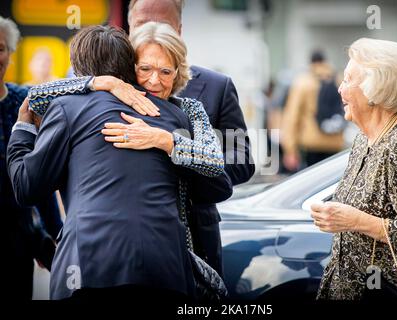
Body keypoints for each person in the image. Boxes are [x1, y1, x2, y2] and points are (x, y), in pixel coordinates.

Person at [27, 0, 255, 277]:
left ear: (179, 30)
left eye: (163, 24)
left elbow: (239, 160)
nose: (154, 80)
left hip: (193, 230)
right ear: (129, 30)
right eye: (142, 25)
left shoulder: (214, 88)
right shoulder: (106, 89)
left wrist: (178, 163)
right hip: (118, 240)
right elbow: (39, 97)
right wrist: (100, 82)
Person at [311, 38, 397, 300]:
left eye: (348, 80)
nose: (340, 89)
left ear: (377, 88)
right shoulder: (364, 139)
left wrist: (354, 220)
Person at [0, 16, 62, 300]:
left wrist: (55, 235)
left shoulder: (23, 101)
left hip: (19, 236)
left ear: (11, 55)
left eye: (1, 48)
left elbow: (40, 173)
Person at [281, 50, 344, 172]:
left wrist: (290, 149)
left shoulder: (303, 82)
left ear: (310, 63)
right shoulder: (338, 79)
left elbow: (292, 116)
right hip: (335, 141)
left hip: (312, 144)